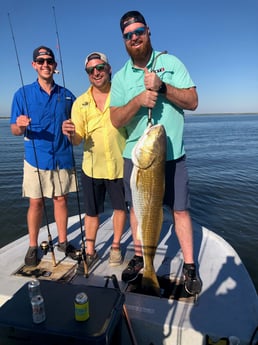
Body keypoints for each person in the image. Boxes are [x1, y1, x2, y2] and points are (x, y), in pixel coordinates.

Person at [110, 11, 202, 295]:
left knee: (180, 210)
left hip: (171, 156)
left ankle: (188, 266)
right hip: (137, 158)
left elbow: (193, 101)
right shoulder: (122, 77)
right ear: (124, 40)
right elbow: (115, 119)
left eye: (138, 31)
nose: (134, 38)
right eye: (128, 35)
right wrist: (138, 100)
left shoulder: (170, 62)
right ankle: (141, 260)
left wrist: (162, 87)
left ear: (148, 31)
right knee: (137, 210)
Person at [10, 46, 78, 267]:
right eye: (41, 61)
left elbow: (78, 127)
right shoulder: (21, 94)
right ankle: (32, 245)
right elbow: (14, 129)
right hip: (35, 158)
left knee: (61, 200)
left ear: (55, 65)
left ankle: (63, 241)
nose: (45, 64)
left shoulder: (67, 95)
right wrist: (19, 126)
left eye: (49, 61)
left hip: (62, 156)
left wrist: (72, 128)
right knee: (36, 202)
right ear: (34, 65)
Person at [62, 52, 127, 269]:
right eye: (91, 70)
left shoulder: (122, 95)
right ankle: (90, 250)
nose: (96, 72)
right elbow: (77, 140)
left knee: (120, 209)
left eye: (100, 67)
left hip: (120, 166)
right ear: (88, 74)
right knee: (91, 213)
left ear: (109, 69)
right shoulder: (80, 103)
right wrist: (70, 133)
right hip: (91, 169)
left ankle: (116, 247)